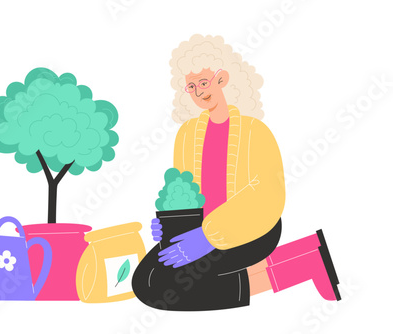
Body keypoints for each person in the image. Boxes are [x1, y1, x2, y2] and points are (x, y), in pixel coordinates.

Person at [132, 34, 340, 311]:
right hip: (196, 230)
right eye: (191, 87)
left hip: (252, 229)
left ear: (222, 79)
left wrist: (207, 238)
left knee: (162, 289)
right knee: (144, 281)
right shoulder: (187, 134)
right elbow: (182, 191)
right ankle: (305, 259)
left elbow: (266, 195)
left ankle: (302, 266)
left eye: (203, 83)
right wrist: (171, 223)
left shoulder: (256, 132)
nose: (198, 92)